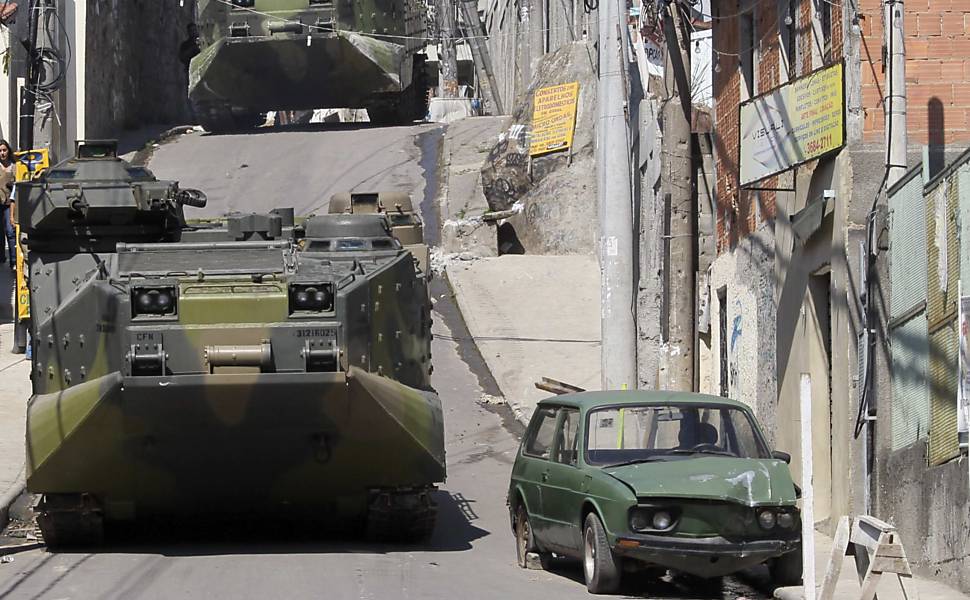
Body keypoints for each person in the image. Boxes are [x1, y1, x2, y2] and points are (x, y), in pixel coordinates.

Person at [0, 139, 17, 271]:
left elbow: (17, 187)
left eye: (4, 150)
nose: (2, 153)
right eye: (0, 151)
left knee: (10, 232)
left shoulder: (14, 166)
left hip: (9, 204)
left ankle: (13, 260)